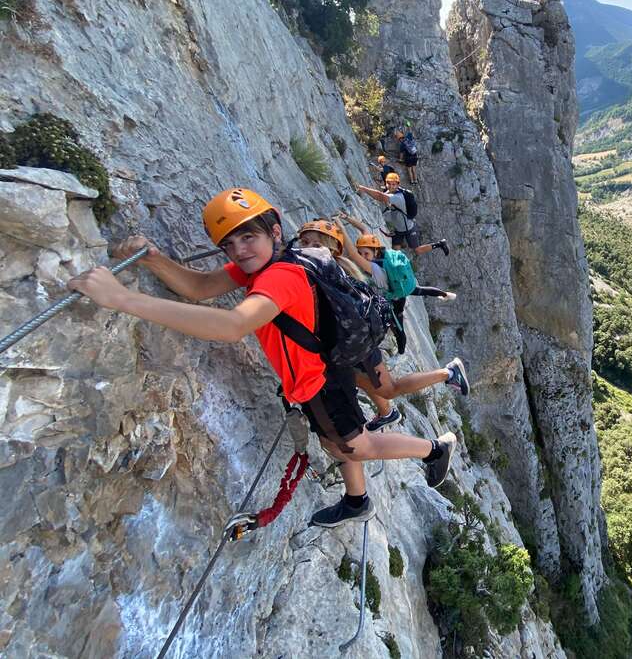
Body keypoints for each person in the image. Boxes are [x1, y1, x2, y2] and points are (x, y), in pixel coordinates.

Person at [66, 188, 458, 528]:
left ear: (274, 232)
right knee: (334, 443)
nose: (239, 250)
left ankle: (434, 450)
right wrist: (154, 258)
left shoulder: (280, 276)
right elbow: (201, 287)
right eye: (229, 244)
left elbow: (234, 325)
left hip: (319, 380)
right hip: (316, 374)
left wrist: (122, 299)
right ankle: (357, 501)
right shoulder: (266, 264)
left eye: (247, 237)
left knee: (356, 447)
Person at [297, 219, 401, 432]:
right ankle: (387, 412)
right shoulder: (346, 270)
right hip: (362, 334)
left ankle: (446, 374)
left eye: (316, 246)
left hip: (353, 341)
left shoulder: (349, 271)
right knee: (373, 381)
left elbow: (354, 255)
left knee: (386, 386)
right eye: (304, 243)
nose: (308, 249)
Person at [336, 213, 456, 355]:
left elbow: (354, 255)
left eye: (366, 254)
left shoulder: (374, 269)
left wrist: (340, 227)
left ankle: (401, 351)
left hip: (395, 296)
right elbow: (363, 228)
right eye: (361, 253)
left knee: (398, 326)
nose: (363, 257)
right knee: (420, 290)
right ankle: (445, 294)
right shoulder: (378, 249)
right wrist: (346, 217)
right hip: (403, 285)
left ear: (374, 251)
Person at [356, 172, 449, 256]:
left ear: (398, 185)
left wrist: (363, 189)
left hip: (408, 228)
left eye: (393, 184)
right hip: (398, 230)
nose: (390, 186)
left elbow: (380, 196)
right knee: (395, 251)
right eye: (388, 183)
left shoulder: (398, 197)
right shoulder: (391, 192)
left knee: (417, 250)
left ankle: (440, 244)